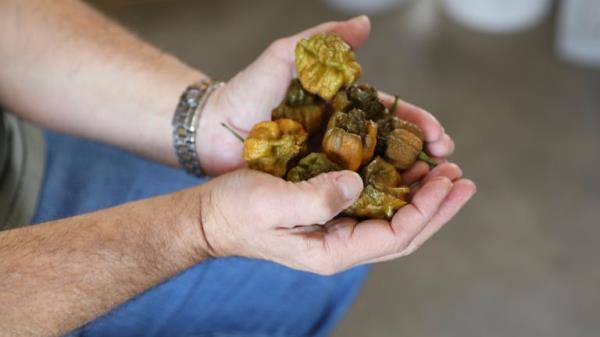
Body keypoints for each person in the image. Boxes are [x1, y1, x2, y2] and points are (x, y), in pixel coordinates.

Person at [0, 1, 475, 336]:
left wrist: (209, 117)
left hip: (22, 145)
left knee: (319, 275)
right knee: (292, 285)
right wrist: (203, 226)